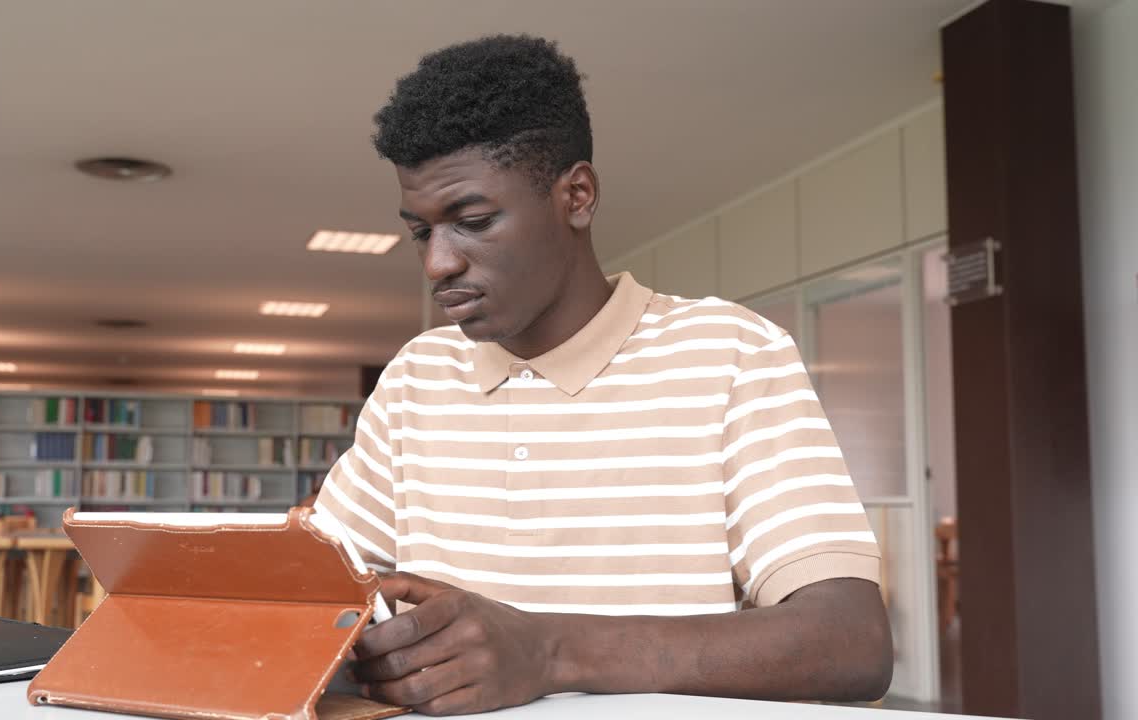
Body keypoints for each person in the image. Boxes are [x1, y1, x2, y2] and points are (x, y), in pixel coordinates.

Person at [314, 34, 892, 716]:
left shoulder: (730, 353)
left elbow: (850, 641)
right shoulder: (416, 378)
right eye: (421, 231)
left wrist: (550, 651)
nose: (438, 263)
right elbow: (316, 597)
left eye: (472, 221)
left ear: (577, 195)